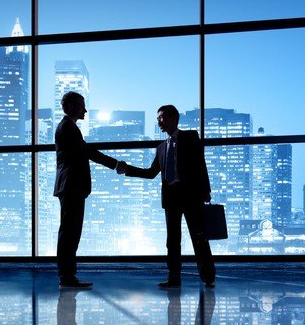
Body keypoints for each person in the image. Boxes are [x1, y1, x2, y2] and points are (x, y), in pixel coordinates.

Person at [117, 105, 215, 288]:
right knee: (172, 240)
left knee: (199, 237)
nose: (158, 121)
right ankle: (174, 278)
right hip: (171, 199)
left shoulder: (190, 137)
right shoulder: (161, 147)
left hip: (191, 196)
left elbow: (200, 164)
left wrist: (205, 191)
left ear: (173, 118)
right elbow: (151, 172)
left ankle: (208, 276)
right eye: (158, 118)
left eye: (161, 117)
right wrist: (128, 169)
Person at [54, 91, 125, 289]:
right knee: (70, 232)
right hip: (71, 186)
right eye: (81, 105)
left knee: (70, 231)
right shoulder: (68, 127)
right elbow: (87, 152)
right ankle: (67, 276)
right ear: (70, 107)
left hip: (70, 186)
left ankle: (67, 275)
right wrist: (115, 164)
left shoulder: (68, 127)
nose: (85, 110)